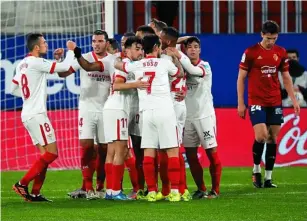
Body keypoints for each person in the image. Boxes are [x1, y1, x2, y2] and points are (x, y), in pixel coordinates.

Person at [115, 34, 184, 202]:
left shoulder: (136, 65)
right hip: (165, 111)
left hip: (146, 112)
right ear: (156, 47)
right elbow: (180, 73)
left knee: (148, 152)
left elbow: (118, 64)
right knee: (172, 150)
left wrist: (120, 56)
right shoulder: (165, 63)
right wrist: (176, 58)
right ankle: (174, 191)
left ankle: (152, 191)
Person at [10, 33, 76, 202]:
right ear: (37, 47)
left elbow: (13, 89)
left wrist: (28, 98)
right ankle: (22, 183)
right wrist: (71, 51)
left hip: (27, 114)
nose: (47, 44)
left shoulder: (22, 64)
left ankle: (35, 193)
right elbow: (65, 67)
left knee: (44, 156)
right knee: (52, 153)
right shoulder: (36, 62)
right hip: (37, 114)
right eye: (44, 42)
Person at [237, 20, 300, 188]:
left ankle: (268, 178)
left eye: (274, 38)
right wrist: (241, 103)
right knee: (261, 136)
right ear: (262, 35)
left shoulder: (280, 52)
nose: (271, 41)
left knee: (273, 138)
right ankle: (256, 169)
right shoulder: (250, 52)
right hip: (256, 100)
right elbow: (241, 78)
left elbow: (286, 77)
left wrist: (294, 101)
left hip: (275, 100)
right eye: (268, 38)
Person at [61, 30, 112, 200]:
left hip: (106, 109)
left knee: (104, 150)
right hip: (87, 108)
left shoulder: (111, 60)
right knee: (87, 147)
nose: (96, 44)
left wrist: (76, 52)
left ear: (106, 42)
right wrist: (60, 60)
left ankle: (100, 186)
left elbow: (89, 67)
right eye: (94, 41)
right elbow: (63, 73)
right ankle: (88, 187)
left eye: (100, 41)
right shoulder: (85, 56)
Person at [169, 36, 222, 199]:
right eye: (189, 46)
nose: (192, 49)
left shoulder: (204, 65)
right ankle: (201, 188)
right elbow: (171, 41)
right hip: (187, 118)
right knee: (191, 155)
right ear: (185, 49)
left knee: (211, 152)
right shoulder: (180, 68)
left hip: (204, 116)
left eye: (195, 46)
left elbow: (193, 72)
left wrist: (178, 53)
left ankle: (215, 190)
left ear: (200, 49)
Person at [102, 36, 149, 200]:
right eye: (137, 48)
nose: (140, 51)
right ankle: (115, 191)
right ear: (127, 50)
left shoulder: (128, 65)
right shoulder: (124, 65)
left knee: (112, 151)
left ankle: (110, 191)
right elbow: (117, 85)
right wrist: (136, 84)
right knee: (120, 150)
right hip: (117, 108)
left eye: (141, 48)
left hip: (112, 109)